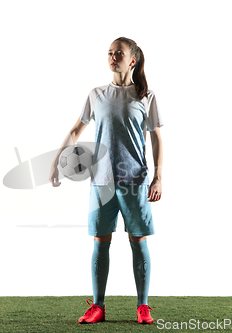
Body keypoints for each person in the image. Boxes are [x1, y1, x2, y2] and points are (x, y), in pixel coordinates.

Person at [49, 37, 164, 325]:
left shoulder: (145, 96)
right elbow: (76, 130)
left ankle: (143, 306)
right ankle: (98, 306)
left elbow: (156, 137)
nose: (113, 57)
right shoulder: (96, 94)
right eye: (110, 53)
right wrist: (57, 161)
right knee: (101, 242)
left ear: (132, 60)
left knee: (138, 241)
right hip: (101, 182)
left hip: (134, 181)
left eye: (119, 54)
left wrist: (158, 177)